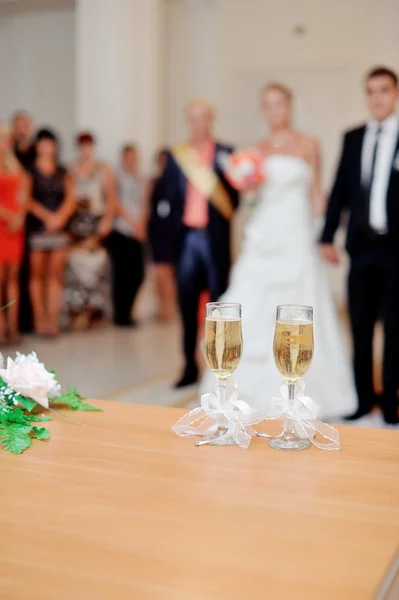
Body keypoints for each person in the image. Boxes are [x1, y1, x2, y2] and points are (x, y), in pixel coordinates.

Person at [202, 82, 357, 420]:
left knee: (301, 302)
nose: (274, 111)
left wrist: (328, 236)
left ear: (290, 105)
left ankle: (305, 389)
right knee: (253, 301)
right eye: (267, 105)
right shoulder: (254, 150)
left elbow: (317, 197)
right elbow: (251, 201)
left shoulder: (309, 145)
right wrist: (249, 187)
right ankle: (244, 389)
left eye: (278, 103)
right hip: (265, 234)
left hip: (297, 234)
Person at [321, 66, 399, 425]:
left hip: (396, 249)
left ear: (395, 93)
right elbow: (339, 190)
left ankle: (391, 405)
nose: (377, 97)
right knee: (361, 327)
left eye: (383, 90)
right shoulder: (353, 137)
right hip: (361, 247)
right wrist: (326, 236)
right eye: (370, 91)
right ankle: (363, 399)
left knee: (395, 330)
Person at [161, 98, 239, 387]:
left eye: (202, 117)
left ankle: (220, 364)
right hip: (187, 240)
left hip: (214, 239)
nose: (197, 123)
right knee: (186, 305)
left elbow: (235, 198)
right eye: (192, 118)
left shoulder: (227, 153)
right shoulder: (177, 155)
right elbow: (168, 195)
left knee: (220, 306)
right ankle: (189, 366)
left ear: (211, 119)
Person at [27, 128, 76, 336]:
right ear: (37, 145)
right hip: (38, 228)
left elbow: (71, 198)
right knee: (37, 275)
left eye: (51, 143)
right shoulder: (29, 171)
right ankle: (40, 319)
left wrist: (59, 218)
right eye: (43, 143)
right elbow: (27, 199)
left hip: (58, 228)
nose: (47, 147)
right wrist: (47, 217)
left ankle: (53, 319)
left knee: (55, 275)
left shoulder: (62, 171)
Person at [66, 132, 115, 330]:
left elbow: (111, 198)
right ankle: (76, 311)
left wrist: (107, 220)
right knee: (75, 269)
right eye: (82, 146)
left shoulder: (103, 170)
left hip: (95, 224)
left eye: (89, 146)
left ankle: (94, 312)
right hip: (76, 225)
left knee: (96, 268)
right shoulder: (70, 169)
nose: (85, 150)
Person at [106, 144, 145, 327]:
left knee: (138, 274)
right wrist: (133, 223)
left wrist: (141, 225)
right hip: (121, 230)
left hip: (137, 231)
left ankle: (128, 310)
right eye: (128, 157)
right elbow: (115, 203)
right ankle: (120, 314)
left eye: (133, 157)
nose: (131, 161)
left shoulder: (139, 178)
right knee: (122, 275)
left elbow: (143, 202)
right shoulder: (117, 177)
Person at [0, 123, 30, 345]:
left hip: (15, 228)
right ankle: (1, 327)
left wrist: (19, 216)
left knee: (13, 278)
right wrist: (8, 216)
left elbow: (23, 193)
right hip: (2, 224)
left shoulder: (15, 165)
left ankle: (13, 326)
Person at [11, 111, 36, 333]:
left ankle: (25, 322)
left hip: (26, 220)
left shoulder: (34, 152)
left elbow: (28, 187)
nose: (22, 128)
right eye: (19, 124)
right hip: (7, 220)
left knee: (26, 272)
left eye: (25, 124)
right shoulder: (8, 153)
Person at [147, 148, 176, 321]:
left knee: (167, 272)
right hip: (156, 231)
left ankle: (169, 307)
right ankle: (161, 306)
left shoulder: (175, 182)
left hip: (169, 232)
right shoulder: (154, 183)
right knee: (158, 271)